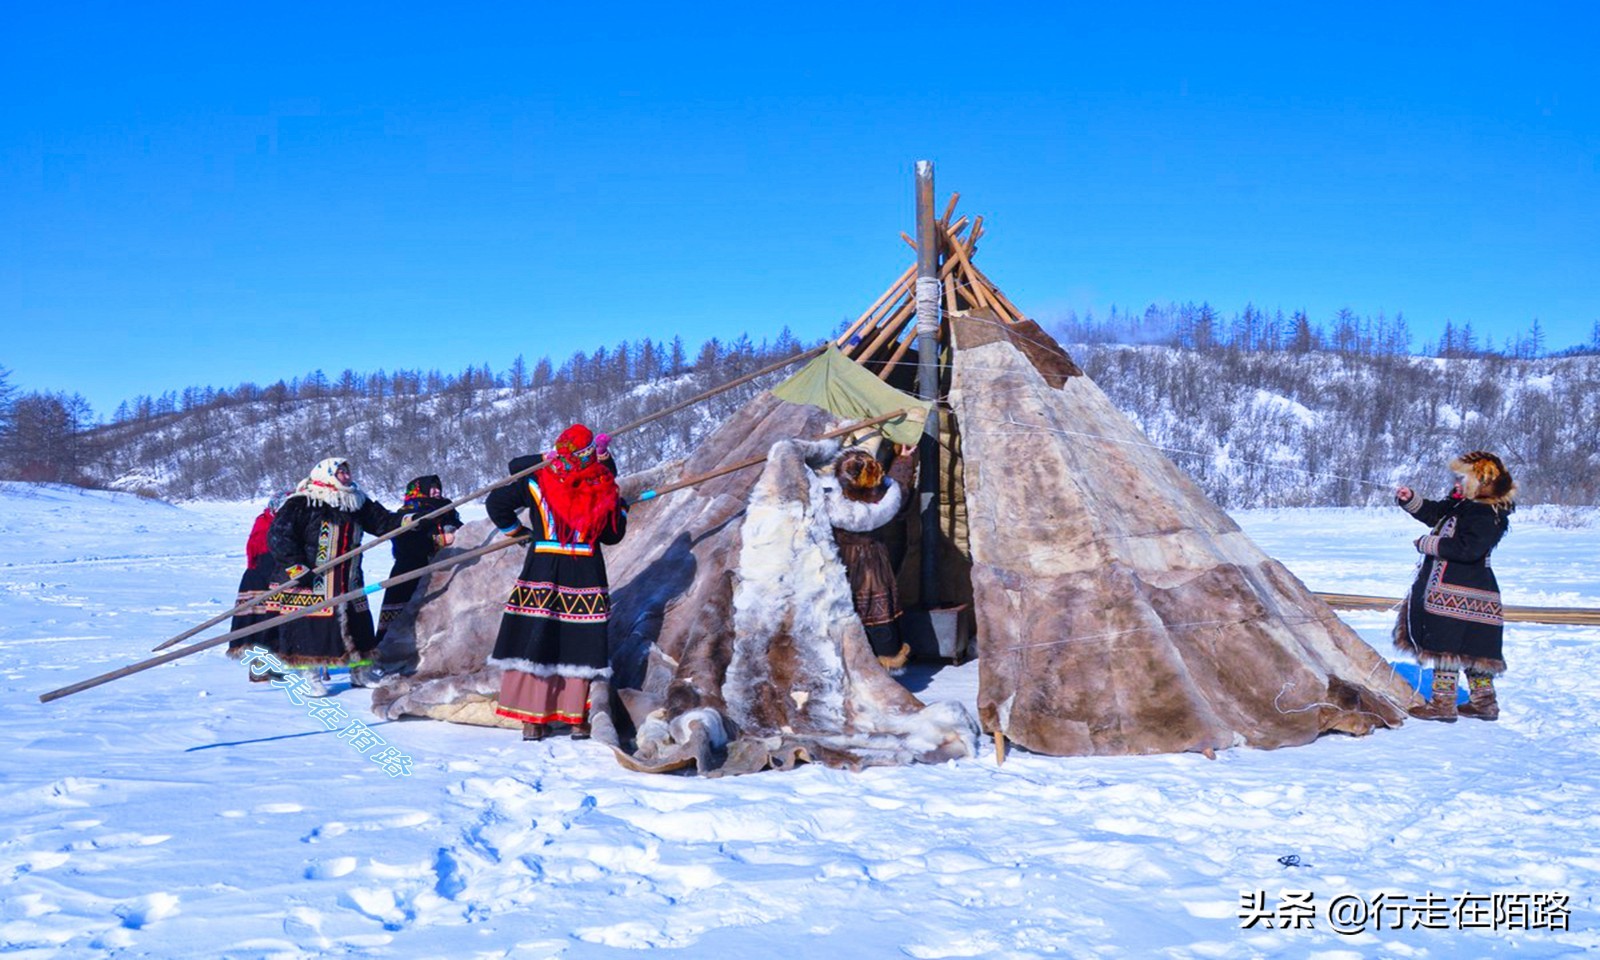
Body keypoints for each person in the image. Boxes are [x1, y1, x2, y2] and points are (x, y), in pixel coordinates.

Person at [486, 424, 628, 741]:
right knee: (580, 642)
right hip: (585, 571)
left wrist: (517, 532)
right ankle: (577, 718)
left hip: (543, 567)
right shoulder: (602, 485)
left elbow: (496, 503)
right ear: (591, 452)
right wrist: (622, 509)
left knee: (538, 637)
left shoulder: (538, 478)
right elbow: (613, 535)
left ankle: (533, 721)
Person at [1393, 450, 1517, 722]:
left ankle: (1443, 704)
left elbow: (1468, 548)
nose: (1457, 484)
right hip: (1465, 590)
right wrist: (1411, 500)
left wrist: (1428, 544)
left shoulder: (1486, 512)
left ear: (1480, 481)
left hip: (1458, 590)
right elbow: (1437, 514)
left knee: (1446, 647)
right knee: (1474, 649)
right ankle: (1484, 704)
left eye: (1463, 479)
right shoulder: (1465, 506)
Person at [267, 458, 406, 694]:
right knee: (309, 630)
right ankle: (308, 674)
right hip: (309, 578)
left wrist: (407, 520)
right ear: (326, 474)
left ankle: (361, 672)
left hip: (348, 577)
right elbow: (279, 536)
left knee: (359, 627)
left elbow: (382, 522)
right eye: (340, 472)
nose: (346, 476)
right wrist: (295, 566)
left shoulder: (356, 501)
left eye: (347, 471)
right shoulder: (303, 502)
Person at [824, 443, 916, 672]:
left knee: (844, 610)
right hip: (874, 565)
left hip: (839, 560)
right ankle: (885, 663)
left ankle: (847, 665)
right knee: (877, 611)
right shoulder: (883, 502)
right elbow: (899, 490)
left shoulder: (828, 503)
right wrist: (903, 460)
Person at [376, 474, 462, 645]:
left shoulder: (447, 511)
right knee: (403, 621)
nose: (437, 490)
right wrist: (440, 540)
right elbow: (407, 544)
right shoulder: (407, 513)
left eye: (438, 487)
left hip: (444, 571)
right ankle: (389, 654)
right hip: (411, 571)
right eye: (432, 487)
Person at [227, 490, 290, 682]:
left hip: (279, 579)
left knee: (279, 624)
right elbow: (262, 553)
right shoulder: (265, 524)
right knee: (260, 624)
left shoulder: (288, 525)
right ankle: (259, 668)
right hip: (260, 579)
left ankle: (273, 665)